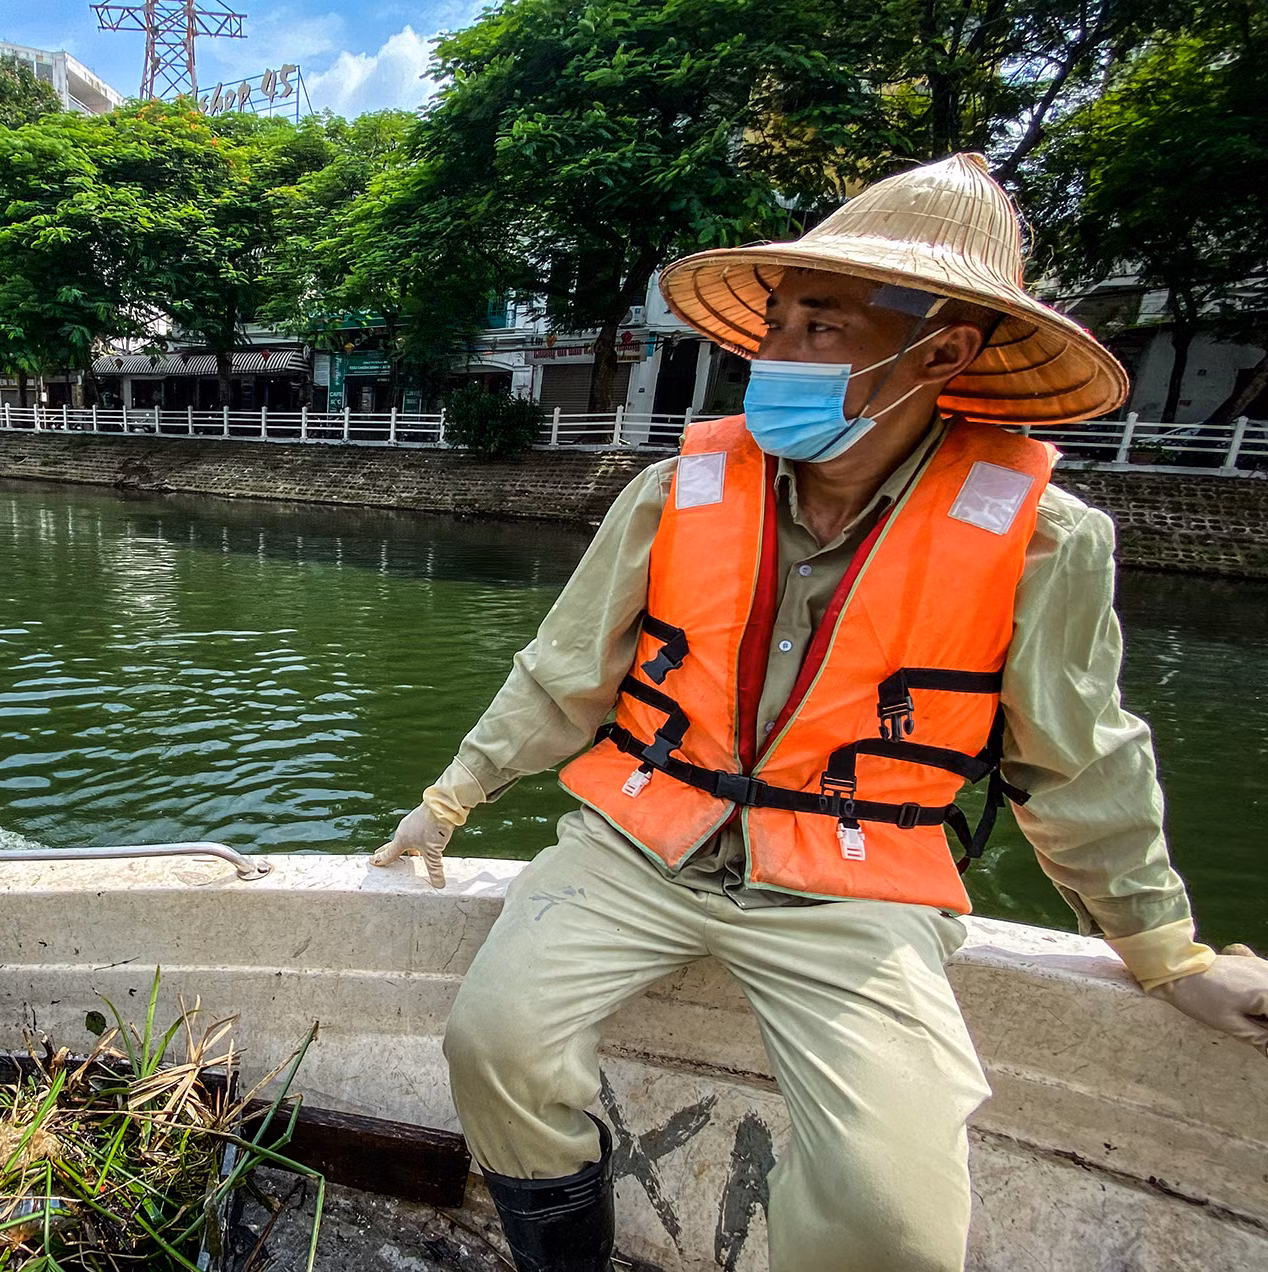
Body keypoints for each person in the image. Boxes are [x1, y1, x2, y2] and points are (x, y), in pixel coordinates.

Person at [372, 153, 1268, 1272]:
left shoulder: (1044, 537)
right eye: (777, 325)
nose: (776, 354)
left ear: (941, 353)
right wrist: (450, 798)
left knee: (891, 1219)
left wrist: (1167, 953)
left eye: (821, 327)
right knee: (492, 1041)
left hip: (856, 884)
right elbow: (565, 674)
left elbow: (1079, 758)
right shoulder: (677, 489)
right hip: (638, 844)